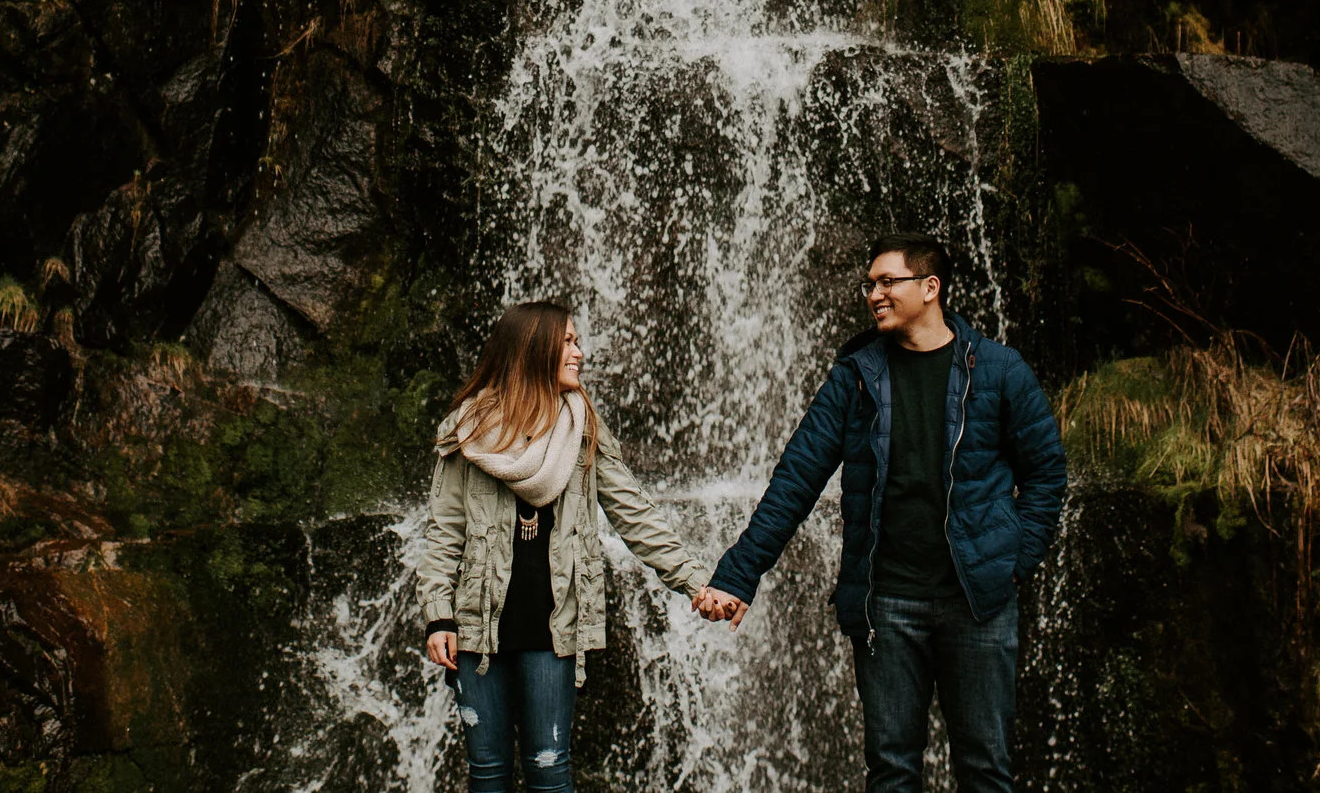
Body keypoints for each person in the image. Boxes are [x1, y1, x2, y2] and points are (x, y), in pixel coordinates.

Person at [695, 238, 1069, 793]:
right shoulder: (855, 376)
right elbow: (796, 479)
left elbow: (1046, 476)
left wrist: (1014, 561)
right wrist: (738, 573)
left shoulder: (998, 370)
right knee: (892, 771)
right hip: (885, 603)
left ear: (930, 288)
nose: (874, 294)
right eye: (870, 284)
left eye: (887, 282)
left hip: (979, 602)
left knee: (987, 770)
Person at [418, 300, 734, 792]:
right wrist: (439, 616)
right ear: (533, 348)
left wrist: (695, 582)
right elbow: (444, 530)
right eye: (567, 341)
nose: (579, 352)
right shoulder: (468, 430)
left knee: (549, 770)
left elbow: (634, 511)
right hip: (477, 626)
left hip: (553, 627)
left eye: (577, 340)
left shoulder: (581, 428)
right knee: (487, 773)